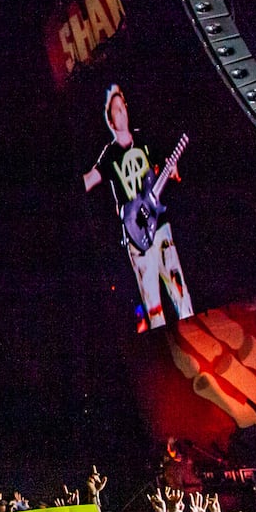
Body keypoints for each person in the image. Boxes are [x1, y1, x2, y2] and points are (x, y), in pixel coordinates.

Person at [82, 84, 193, 331]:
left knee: (180, 292)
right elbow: (91, 178)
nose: (123, 112)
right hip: (136, 237)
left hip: (160, 227)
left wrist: (171, 168)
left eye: (124, 107)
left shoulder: (144, 140)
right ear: (110, 121)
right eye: (117, 110)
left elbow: (163, 166)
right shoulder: (110, 155)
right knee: (153, 305)